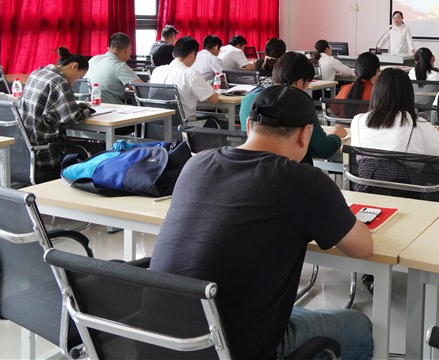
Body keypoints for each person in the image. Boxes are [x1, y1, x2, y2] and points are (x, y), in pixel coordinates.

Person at [150, 85, 374, 360]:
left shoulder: (197, 163)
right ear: (305, 134)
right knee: (360, 326)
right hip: (236, 349)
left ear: (248, 125)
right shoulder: (305, 182)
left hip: (157, 342)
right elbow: (362, 248)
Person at [239, 52, 347, 166]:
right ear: (299, 83)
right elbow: (323, 149)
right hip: (291, 170)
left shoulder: (249, 99)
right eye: (307, 83)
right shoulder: (300, 104)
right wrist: (336, 134)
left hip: (251, 166)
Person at [351, 68, 439, 174]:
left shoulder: (357, 121)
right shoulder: (420, 126)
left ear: (376, 92)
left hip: (365, 188)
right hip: (406, 189)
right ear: (409, 93)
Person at [20, 48, 100, 182]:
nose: (76, 81)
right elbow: (71, 118)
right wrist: (88, 110)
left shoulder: (37, 73)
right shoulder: (59, 81)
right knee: (98, 148)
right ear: (74, 66)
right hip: (46, 153)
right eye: (79, 76)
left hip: (24, 150)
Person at [150, 36, 220, 123]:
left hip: (157, 124)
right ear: (192, 55)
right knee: (218, 122)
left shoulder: (157, 71)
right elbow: (214, 99)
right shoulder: (191, 74)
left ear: (173, 54)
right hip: (185, 125)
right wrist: (209, 86)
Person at [84, 32, 141, 104]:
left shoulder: (93, 59)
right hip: (108, 108)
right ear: (127, 50)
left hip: (86, 105)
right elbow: (142, 89)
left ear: (109, 48)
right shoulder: (120, 66)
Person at [332, 52, 380, 119]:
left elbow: (334, 110)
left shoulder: (345, 89)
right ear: (377, 71)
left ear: (356, 71)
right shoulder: (378, 93)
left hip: (344, 125)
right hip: (367, 125)